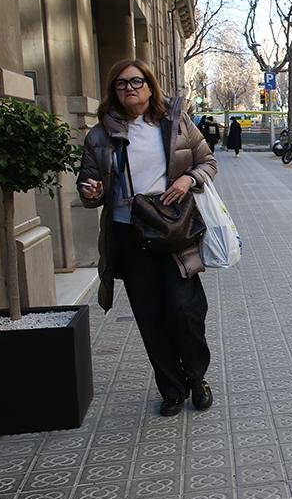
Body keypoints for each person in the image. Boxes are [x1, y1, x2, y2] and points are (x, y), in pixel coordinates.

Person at [77, 59, 218, 417]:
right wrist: (92, 190)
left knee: (186, 311)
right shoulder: (98, 136)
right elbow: (89, 189)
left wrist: (188, 179)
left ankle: (197, 377)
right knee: (150, 316)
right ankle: (171, 389)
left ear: (151, 87)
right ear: (113, 92)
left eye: (136, 81)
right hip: (130, 235)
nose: (129, 88)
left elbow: (207, 162)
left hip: (175, 229)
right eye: (121, 84)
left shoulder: (175, 123)